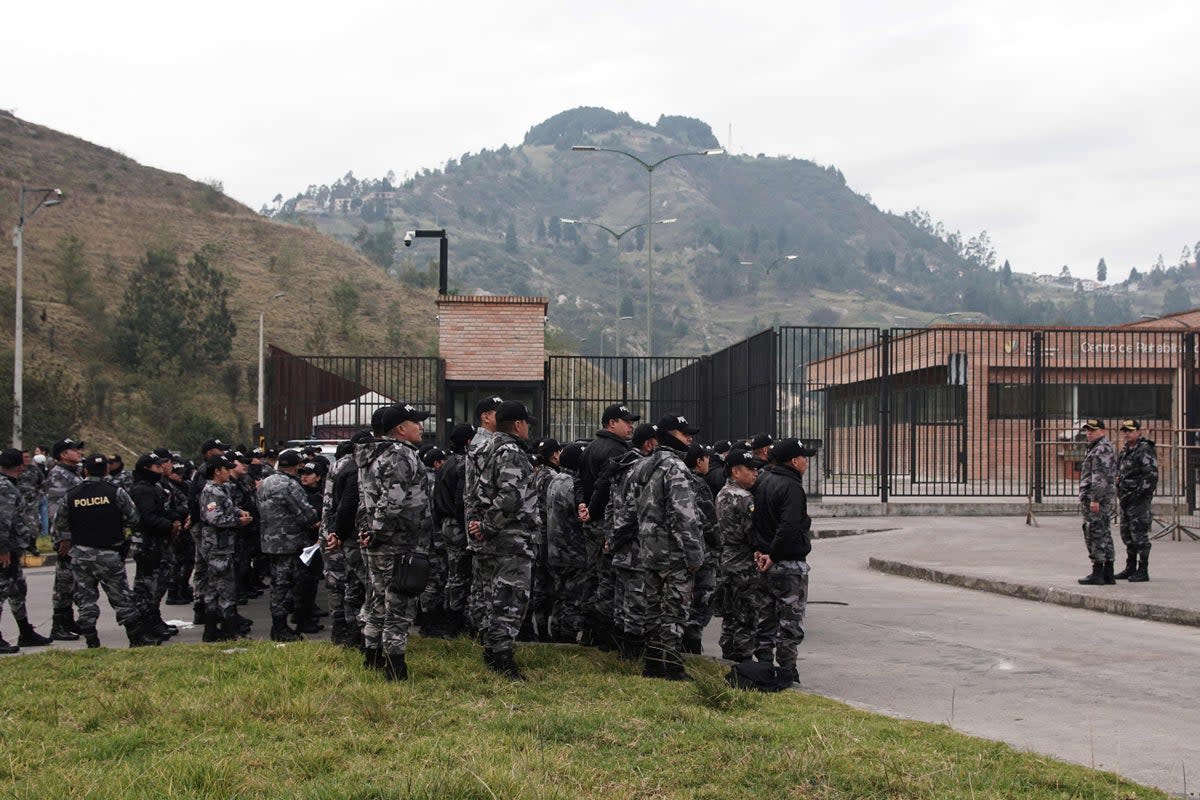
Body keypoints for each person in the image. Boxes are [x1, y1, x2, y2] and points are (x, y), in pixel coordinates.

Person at [360, 404, 435, 681]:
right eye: (416, 422)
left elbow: (366, 499)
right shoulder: (400, 455)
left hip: (379, 542)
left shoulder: (371, 453)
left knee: (378, 601)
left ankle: (372, 657)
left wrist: (369, 531)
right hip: (399, 543)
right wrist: (379, 531)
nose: (421, 427)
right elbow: (392, 501)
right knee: (399, 607)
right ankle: (395, 668)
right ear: (401, 429)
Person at [54, 453, 159, 648]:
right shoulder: (115, 492)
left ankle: (92, 641)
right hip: (109, 553)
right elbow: (134, 519)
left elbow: (59, 524)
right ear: (106, 470)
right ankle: (136, 639)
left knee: (85, 599)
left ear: (85, 470)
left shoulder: (72, 494)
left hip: (81, 554)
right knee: (121, 597)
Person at [469, 400, 539, 680]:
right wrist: (487, 526)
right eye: (527, 424)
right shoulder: (512, 452)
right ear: (518, 425)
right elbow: (511, 496)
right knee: (509, 599)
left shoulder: (483, 447)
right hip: (511, 539)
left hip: (492, 538)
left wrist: (478, 524)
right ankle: (502, 659)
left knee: (492, 598)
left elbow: (473, 491)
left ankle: (492, 651)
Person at [635, 414, 704, 680]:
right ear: (669, 435)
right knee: (675, 611)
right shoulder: (675, 467)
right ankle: (673, 667)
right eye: (684, 433)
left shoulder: (645, 465)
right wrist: (694, 553)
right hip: (673, 552)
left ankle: (652, 664)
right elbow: (684, 515)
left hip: (649, 549)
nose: (689, 438)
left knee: (652, 609)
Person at [750, 438, 817, 685]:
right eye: (803, 457)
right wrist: (775, 554)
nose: (806, 462)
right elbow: (789, 526)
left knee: (766, 618)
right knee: (790, 621)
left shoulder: (764, 481)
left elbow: (756, 522)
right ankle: (788, 671)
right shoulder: (791, 486)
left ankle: (764, 666)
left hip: (765, 561)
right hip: (787, 564)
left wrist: (760, 551)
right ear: (793, 461)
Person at [579, 403, 639, 648]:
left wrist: (582, 505)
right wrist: (593, 510)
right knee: (609, 580)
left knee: (593, 576)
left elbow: (578, 480)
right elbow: (605, 486)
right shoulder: (617, 451)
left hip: (591, 520)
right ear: (611, 423)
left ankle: (588, 630)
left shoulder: (591, 447)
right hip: (605, 521)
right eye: (626, 421)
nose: (631, 426)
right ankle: (603, 636)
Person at [258, 450, 319, 641]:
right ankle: (280, 628)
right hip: (289, 541)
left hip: (270, 541)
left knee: (277, 584)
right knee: (284, 585)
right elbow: (306, 513)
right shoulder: (290, 485)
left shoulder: (265, 482)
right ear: (296, 466)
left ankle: (278, 626)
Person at [0, 448, 54, 652]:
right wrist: (3, 549)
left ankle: (26, 631)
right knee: (2, 590)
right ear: (20, 466)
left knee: (17, 590)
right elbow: (2, 521)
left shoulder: (9, 484)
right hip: (6, 548)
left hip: (14, 545)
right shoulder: (4, 487)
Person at [197, 455, 253, 642]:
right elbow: (215, 518)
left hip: (223, 545)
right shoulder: (212, 491)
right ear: (216, 471)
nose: (229, 472)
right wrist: (238, 521)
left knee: (214, 588)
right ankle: (228, 631)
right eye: (225, 469)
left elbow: (228, 507)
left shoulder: (221, 489)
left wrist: (238, 512)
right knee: (224, 588)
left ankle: (212, 630)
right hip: (218, 547)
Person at [716, 449, 764, 662]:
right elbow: (753, 534)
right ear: (736, 471)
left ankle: (728, 656)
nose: (755, 473)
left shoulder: (723, 493)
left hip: (727, 559)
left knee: (731, 615)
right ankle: (744, 661)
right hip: (744, 563)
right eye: (750, 469)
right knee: (747, 615)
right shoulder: (745, 499)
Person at [128, 452, 181, 641]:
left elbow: (165, 510)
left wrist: (175, 519)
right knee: (146, 587)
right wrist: (169, 525)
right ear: (146, 469)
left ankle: (154, 619)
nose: (161, 470)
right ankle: (144, 625)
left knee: (159, 585)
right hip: (148, 545)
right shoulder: (142, 490)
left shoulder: (155, 487)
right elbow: (147, 518)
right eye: (157, 467)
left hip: (160, 543)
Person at [463, 396, 503, 637]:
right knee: (486, 584)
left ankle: (480, 630)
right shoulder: (485, 445)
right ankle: (482, 631)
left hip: (482, 521)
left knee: (483, 582)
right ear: (485, 417)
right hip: (483, 523)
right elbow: (483, 490)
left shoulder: (489, 442)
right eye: (498, 412)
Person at [433, 423, 474, 637]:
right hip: (458, 525)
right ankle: (455, 620)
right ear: (469, 442)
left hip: (446, 524)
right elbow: (462, 501)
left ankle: (451, 615)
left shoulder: (447, 463)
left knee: (452, 572)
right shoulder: (464, 465)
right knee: (460, 574)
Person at [683, 444, 721, 654]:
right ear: (699, 461)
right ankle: (692, 641)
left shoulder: (679, 479)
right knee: (703, 597)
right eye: (706, 458)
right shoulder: (698, 484)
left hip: (682, 551)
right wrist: (719, 543)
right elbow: (710, 522)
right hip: (702, 551)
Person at [47, 437, 85, 640]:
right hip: (66, 538)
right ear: (63, 454)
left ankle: (68, 621)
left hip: (75, 535)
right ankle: (58, 624)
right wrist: (64, 537)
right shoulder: (59, 475)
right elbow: (56, 510)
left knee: (72, 581)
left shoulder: (72, 473)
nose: (79, 452)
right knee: (63, 582)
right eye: (74, 450)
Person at [1115, 419, 1158, 582]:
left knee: (1139, 535)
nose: (1127, 433)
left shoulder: (1145, 449)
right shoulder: (1126, 449)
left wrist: (1140, 494)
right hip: (1125, 498)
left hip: (1138, 500)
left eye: (1130, 430)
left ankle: (1143, 569)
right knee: (1127, 534)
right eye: (1124, 431)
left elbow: (1151, 476)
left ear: (1139, 432)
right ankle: (1130, 567)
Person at [1077, 419, 1117, 586]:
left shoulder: (1101, 449)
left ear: (1102, 430)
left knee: (1095, 532)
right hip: (1100, 498)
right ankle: (1108, 572)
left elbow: (1099, 477)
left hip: (1097, 499)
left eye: (1092, 430)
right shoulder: (1100, 447)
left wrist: (1095, 499)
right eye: (1087, 430)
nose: (1089, 433)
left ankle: (1098, 571)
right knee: (1103, 532)